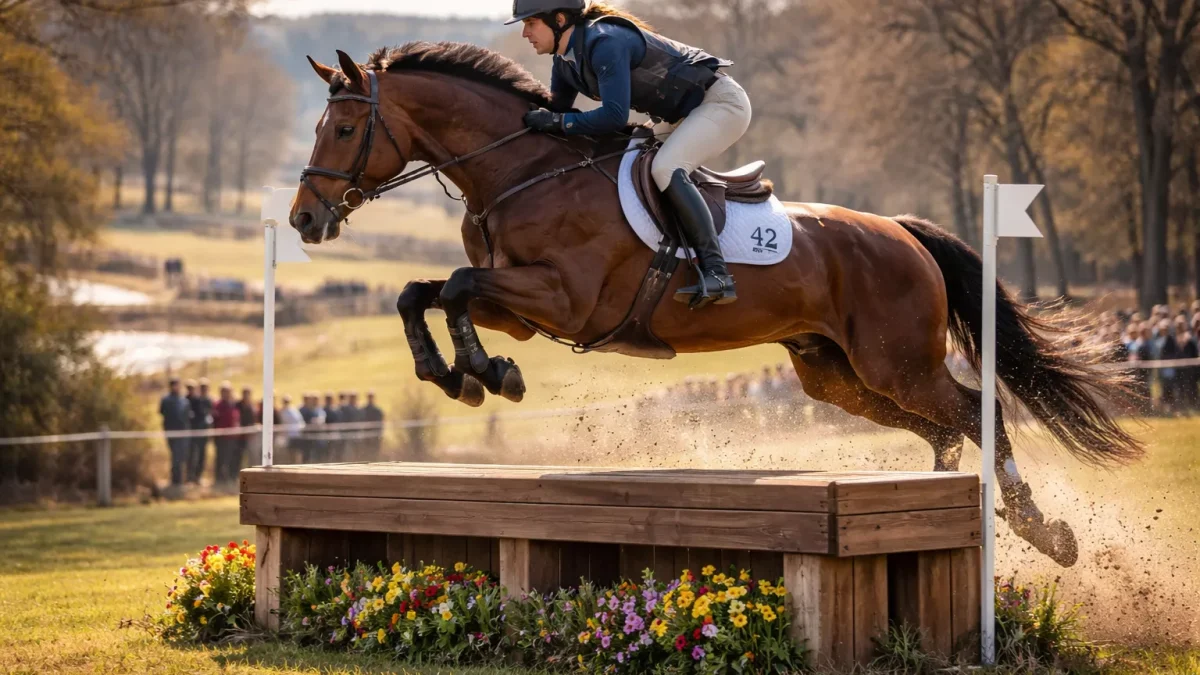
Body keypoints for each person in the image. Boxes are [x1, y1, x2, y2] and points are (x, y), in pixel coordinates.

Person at [511, 0, 749, 308]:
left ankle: (718, 274)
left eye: (530, 23)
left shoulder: (605, 41)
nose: (524, 33)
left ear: (558, 20)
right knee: (626, 163)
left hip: (720, 104)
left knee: (665, 168)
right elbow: (557, 110)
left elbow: (613, 116)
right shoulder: (565, 60)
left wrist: (557, 122)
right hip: (680, 115)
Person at [159, 378, 192, 486]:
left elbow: (187, 416)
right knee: (175, 456)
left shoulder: (184, 400)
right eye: (174, 385)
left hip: (183, 433)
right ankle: (175, 481)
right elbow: (163, 413)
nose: (176, 387)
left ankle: (180, 480)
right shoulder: (166, 400)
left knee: (181, 457)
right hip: (171, 432)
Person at [211, 382, 239, 484]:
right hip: (221, 437)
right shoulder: (217, 405)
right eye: (224, 391)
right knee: (220, 458)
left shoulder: (232, 404)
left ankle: (229, 477)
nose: (226, 394)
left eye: (228, 391)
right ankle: (219, 478)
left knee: (230, 458)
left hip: (231, 437)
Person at [187, 378, 213, 484]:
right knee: (192, 455)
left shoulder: (208, 400)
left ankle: (198, 477)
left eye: (205, 388)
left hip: (204, 432)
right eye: (202, 388)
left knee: (202, 455)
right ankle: (190, 477)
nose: (203, 390)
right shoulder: (194, 400)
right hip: (194, 432)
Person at [238, 387, 258, 468]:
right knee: (239, 456)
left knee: (251, 456)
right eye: (245, 393)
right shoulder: (238, 405)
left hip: (250, 436)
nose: (246, 395)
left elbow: (254, 419)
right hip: (239, 436)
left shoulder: (252, 406)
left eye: (248, 393)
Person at [362, 391, 385, 460]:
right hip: (366, 436)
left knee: (375, 452)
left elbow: (380, 423)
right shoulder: (364, 410)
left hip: (375, 435)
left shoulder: (377, 410)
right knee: (367, 452)